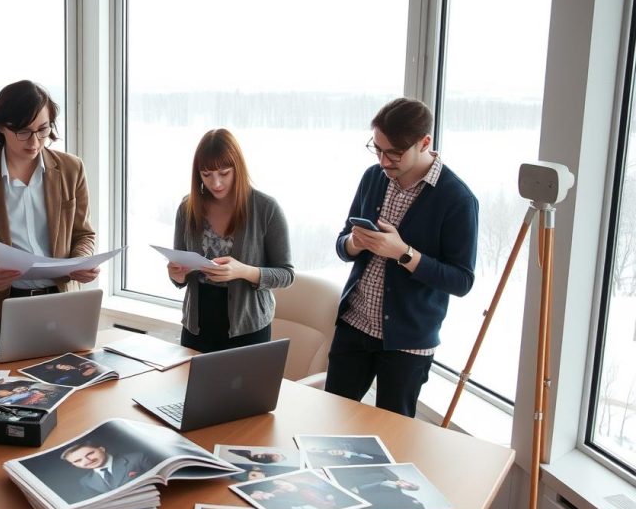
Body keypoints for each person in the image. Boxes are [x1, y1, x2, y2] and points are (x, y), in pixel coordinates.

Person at [325, 97, 478, 418]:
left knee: (393, 433)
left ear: (424, 143)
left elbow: (462, 280)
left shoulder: (457, 199)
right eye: (377, 149)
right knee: (332, 420)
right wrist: (354, 242)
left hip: (408, 342)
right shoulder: (373, 178)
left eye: (394, 153)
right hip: (355, 325)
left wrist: (404, 254)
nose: (383, 160)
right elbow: (342, 246)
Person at [0, 80, 97, 340]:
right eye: (24, 132)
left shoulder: (72, 169)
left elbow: (84, 234)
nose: (35, 141)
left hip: (59, 303)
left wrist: (81, 261)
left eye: (43, 129)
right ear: (1, 127)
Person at [168, 129, 294, 352]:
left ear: (238, 167)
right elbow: (180, 269)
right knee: (192, 386)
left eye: (224, 173)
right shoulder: (187, 209)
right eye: (206, 175)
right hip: (197, 326)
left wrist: (243, 271)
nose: (215, 183)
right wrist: (176, 274)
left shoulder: (266, 209)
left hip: (248, 328)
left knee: (245, 388)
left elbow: (286, 274)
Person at [60, 441, 153, 496]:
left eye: (90, 454)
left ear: (101, 449)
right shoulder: (86, 482)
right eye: (77, 461)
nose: (87, 461)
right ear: (73, 464)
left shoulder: (137, 458)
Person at [337, 466, 424, 509]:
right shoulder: (393, 476)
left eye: (409, 487)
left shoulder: (394, 491)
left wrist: (359, 491)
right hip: (354, 477)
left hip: (356, 489)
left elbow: (376, 491)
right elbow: (380, 467)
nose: (407, 485)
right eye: (409, 484)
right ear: (406, 481)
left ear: (407, 489)